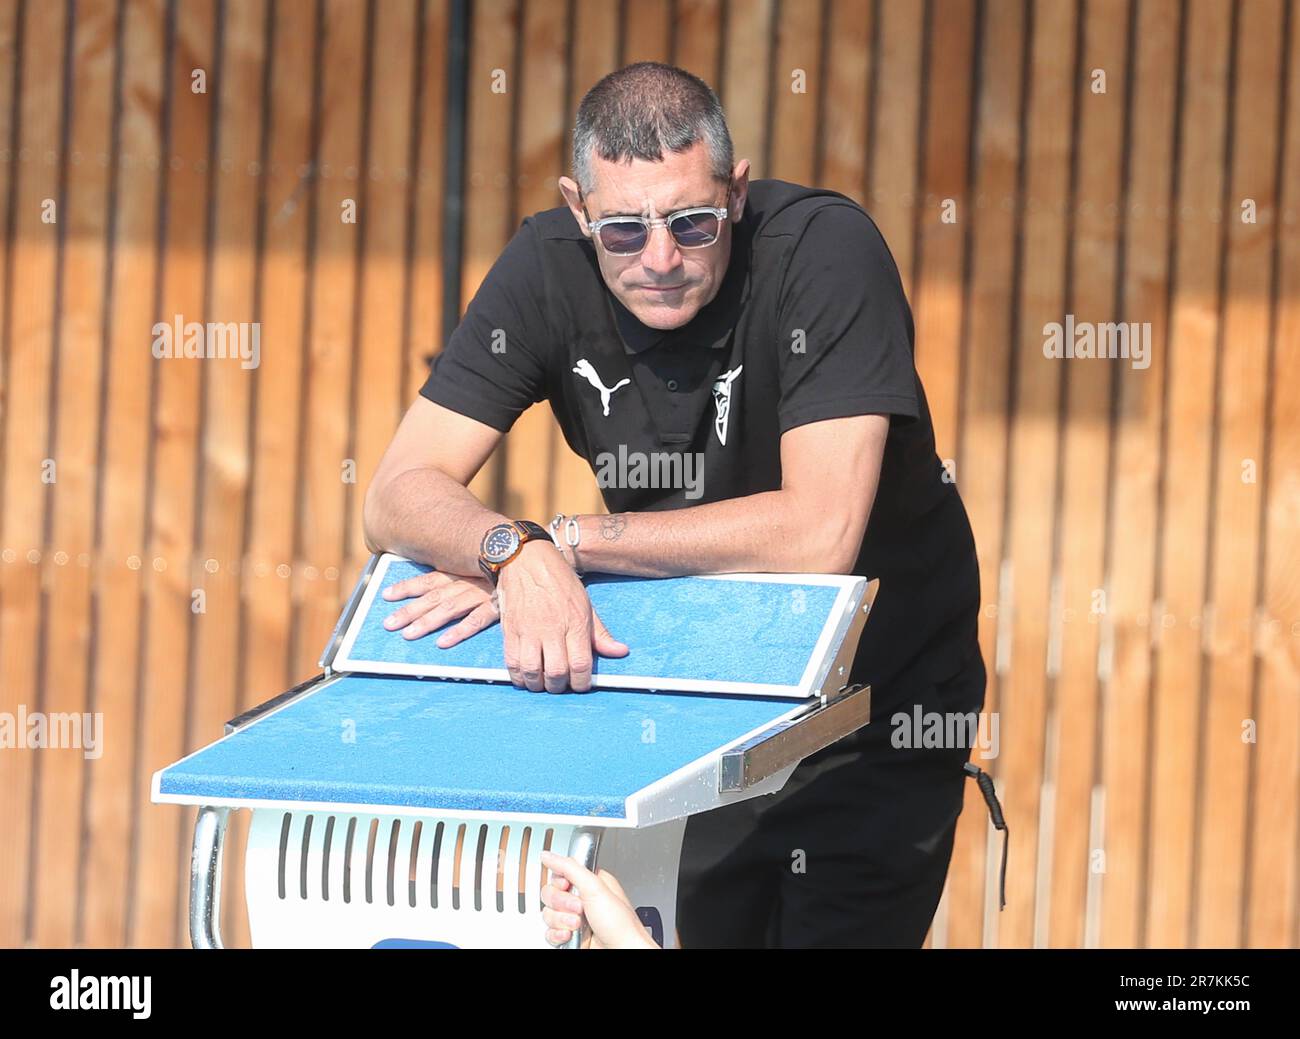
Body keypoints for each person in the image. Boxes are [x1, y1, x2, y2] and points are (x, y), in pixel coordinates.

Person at [363, 61, 985, 948]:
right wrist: (509, 552)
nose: (659, 258)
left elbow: (817, 533)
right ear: (579, 210)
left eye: (691, 222)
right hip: (697, 704)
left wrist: (568, 543)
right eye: (622, 229)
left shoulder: (825, 252)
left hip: (877, 711)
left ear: (735, 191)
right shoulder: (542, 269)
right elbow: (395, 492)